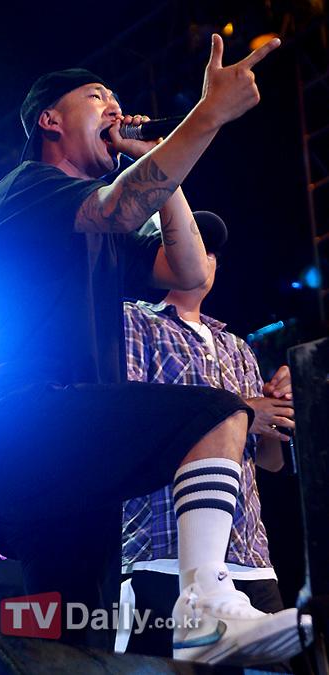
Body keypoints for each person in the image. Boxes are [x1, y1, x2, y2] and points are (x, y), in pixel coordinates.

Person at [0, 35, 304, 664]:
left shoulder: (108, 233)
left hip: (67, 445)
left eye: (115, 96)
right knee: (220, 411)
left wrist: (155, 157)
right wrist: (207, 116)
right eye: (97, 97)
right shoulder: (27, 187)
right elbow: (117, 207)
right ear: (50, 120)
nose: (114, 106)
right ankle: (204, 608)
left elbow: (187, 270)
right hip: (15, 415)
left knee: (71, 638)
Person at [118, 211, 294, 663]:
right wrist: (244, 411)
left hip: (250, 559)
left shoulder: (237, 347)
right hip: (163, 554)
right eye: (192, 243)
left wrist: (277, 409)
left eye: (211, 249)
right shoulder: (136, 322)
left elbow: (269, 462)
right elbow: (130, 424)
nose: (205, 257)